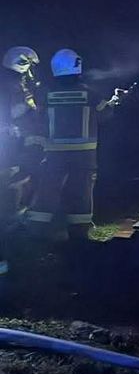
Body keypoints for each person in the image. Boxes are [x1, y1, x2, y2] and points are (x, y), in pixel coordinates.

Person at [25, 49, 127, 242]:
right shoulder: (90, 94)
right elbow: (105, 115)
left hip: (54, 152)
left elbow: (37, 118)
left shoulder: (46, 94)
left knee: (48, 189)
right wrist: (115, 101)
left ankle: (35, 229)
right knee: (81, 191)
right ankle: (79, 232)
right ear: (78, 67)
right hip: (84, 154)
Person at [2, 47, 46, 277]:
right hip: (13, 151)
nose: (31, 72)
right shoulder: (13, 87)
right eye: (30, 66)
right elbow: (24, 115)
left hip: (15, 150)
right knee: (12, 196)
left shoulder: (15, 84)